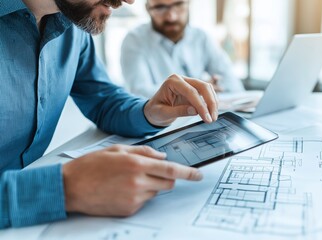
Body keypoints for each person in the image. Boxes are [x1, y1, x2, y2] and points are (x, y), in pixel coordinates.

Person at [0, 0, 218, 229]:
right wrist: (66, 188)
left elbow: (103, 99)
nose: (131, 1)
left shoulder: (72, 24)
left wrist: (150, 111)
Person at [121, 0, 245, 99]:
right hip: (163, 125)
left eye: (178, 4)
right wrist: (198, 89)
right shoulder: (134, 40)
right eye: (160, 8)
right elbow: (138, 93)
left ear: (188, 3)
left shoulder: (201, 37)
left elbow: (231, 82)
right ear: (148, 9)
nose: (171, 17)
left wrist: (211, 87)